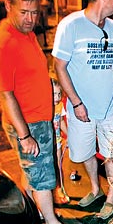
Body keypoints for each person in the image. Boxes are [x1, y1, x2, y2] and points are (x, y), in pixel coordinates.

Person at [0, 0, 83, 224]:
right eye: (24, 12)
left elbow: (29, 75)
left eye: (34, 12)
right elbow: (5, 94)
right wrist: (25, 135)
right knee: (42, 173)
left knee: (31, 173)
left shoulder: (25, 34)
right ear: (8, 6)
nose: (30, 19)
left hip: (39, 117)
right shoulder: (2, 42)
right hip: (28, 122)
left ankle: (29, 216)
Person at [52, 0, 113, 219]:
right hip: (81, 108)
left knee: (111, 152)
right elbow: (59, 66)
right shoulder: (71, 25)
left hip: (109, 105)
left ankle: (111, 196)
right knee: (83, 151)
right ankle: (96, 189)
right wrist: (76, 103)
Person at [51, 72, 70, 204]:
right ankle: (50, 193)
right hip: (46, 144)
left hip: (57, 142)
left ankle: (60, 189)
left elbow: (61, 121)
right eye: (54, 94)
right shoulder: (44, 108)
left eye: (59, 94)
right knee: (49, 168)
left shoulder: (59, 106)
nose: (57, 97)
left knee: (58, 166)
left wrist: (69, 134)